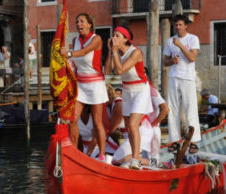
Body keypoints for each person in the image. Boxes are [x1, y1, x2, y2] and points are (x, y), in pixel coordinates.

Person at [60, 12, 108, 162]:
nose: (78, 24)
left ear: (89, 25)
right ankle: (74, 151)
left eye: (82, 21)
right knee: (73, 119)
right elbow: (74, 62)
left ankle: (101, 155)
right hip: (80, 84)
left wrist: (68, 53)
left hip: (95, 85)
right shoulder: (75, 40)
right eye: (77, 21)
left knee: (97, 122)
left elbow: (84, 52)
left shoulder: (97, 39)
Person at [104, 26, 153, 169]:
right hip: (127, 90)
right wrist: (110, 51)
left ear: (126, 39)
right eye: (114, 35)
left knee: (132, 125)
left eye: (117, 36)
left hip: (140, 90)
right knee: (128, 128)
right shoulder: (116, 52)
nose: (114, 38)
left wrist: (114, 51)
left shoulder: (135, 52)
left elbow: (120, 70)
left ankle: (136, 159)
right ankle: (135, 157)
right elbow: (107, 71)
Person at [163, 14, 201, 154]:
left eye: (180, 25)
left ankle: (194, 141)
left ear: (186, 26)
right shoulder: (169, 41)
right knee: (172, 109)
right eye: (176, 25)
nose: (177, 27)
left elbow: (192, 58)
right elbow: (165, 62)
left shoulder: (193, 39)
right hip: (173, 77)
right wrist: (172, 61)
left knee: (190, 108)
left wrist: (180, 45)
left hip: (187, 78)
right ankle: (174, 141)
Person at [112, 88, 169, 167]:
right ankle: (152, 162)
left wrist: (153, 124)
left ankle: (154, 163)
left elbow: (166, 109)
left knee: (117, 159)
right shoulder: (128, 96)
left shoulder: (148, 90)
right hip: (143, 130)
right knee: (123, 158)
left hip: (144, 129)